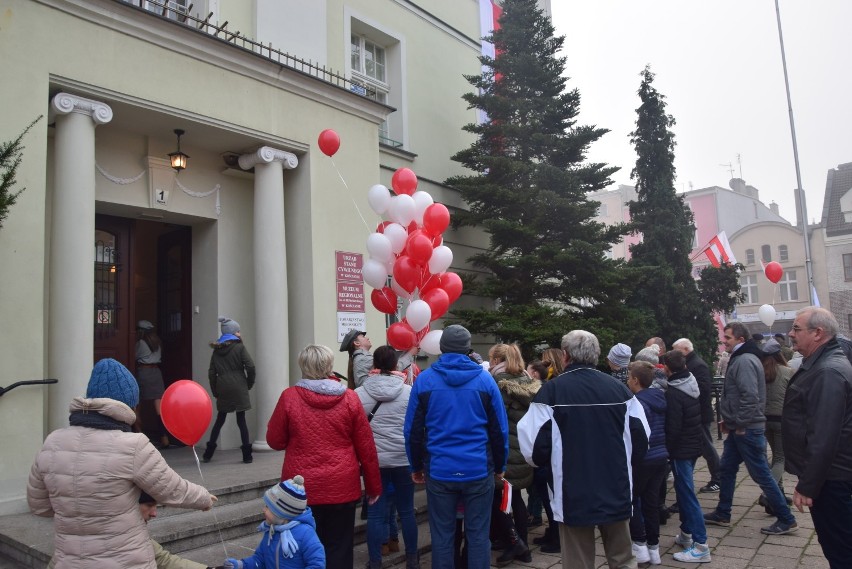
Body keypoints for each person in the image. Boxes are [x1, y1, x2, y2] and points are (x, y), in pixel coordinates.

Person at [28, 358, 217, 568]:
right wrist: (203, 498)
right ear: (128, 404)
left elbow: (39, 506)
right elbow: (172, 489)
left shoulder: (53, 442)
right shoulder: (133, 445)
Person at [518, 330, 649, 569]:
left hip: (572, 489)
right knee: (622, 559)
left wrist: (550, 466)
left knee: (578, 561)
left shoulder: (551, 391)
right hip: (616, 485)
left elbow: (533, 448)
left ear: (565, 355)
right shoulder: (620, 390)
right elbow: (642, 440)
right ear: (597, 355)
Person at [266, 344, 381, 569]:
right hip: (342, 485)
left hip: (300, 489)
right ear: (329, 365)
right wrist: (374, 487)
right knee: (340, 546)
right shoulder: (349, 398)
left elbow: (275, 441)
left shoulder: (289, 397)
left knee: (302, 549)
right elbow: (366, 447)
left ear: (303, 366)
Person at [404, 325, 509, 569]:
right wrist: (500, 465)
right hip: (478, 468)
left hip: (440, 469)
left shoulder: (426, 380)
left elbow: (412, 430)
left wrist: (416, 465)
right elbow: (499, 429)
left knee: (442, 537)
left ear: (442, 348)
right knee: (478, 536)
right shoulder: (485, 380)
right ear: (468, 348)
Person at [704, 321, 798, 536]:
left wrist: (740, 424)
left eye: (727, 338)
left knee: (761, 475)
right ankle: (722, 512)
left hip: (746, 429)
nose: (724, 341)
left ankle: (786, 518)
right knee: (727, 469)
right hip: (741, 428)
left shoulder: (744, 360)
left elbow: (749, 396)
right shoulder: (742, 358)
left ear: (740, 340)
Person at [783, 307, 852, 568]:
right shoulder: (823, 363)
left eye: (797, 329)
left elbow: (824, 435)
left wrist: (808, 485)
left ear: (818, 333)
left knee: (840, 548)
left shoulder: (827, 372)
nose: (791, 334)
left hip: (830, 478)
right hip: (829, 475)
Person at [355, 346, 419, 569]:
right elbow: (415, 427)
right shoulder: (409, 392)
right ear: (395, 365)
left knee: (375, 514)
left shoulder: (359, 394)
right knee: (407, 512)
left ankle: (375, 561)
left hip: (375, 463)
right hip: (403, 460)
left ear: (374, 365)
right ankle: (413, 559)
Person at [48, 491, 217, 569]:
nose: (155, 514)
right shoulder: (91, 536)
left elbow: (163, 559)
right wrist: (200, 498)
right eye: (149, 506)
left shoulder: (131, 533)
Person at [488, 343, 539, 565]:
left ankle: (515, 543)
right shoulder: (529, 383)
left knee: (499, 498)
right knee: (515, 497)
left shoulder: (498, 385)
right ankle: (523, 548)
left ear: (498, 361)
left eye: (491, 359)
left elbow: (493, 421)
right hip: (524, 450)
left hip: (506, 450)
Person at [661, 349, 711, 563]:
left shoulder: (673, 393)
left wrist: (667, 451)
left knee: (688, 496)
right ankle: (686, 534)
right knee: (683, 493)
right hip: (692, 445)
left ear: (667, 368)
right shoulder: (690, 382)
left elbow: (673, 428)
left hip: (681, 449)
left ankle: (701, 546)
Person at [223, 476, 324, 569]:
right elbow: (259, 559)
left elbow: (317, 564)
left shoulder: (306, 533)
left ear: (282, 512)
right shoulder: (271, 531)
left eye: (268, 507)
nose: (264, 510)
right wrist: (240, 564)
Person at [626, 361, 668, 565]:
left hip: (644, 458)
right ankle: (654, 548)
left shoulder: (637, 403)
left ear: (635, 380)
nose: (627, 381)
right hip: (661, 457)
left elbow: (635, 433)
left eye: (629, 377)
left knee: (633, 501)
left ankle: (640, 545)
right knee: (652, 504)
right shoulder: (660, 398)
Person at [203, 317, 256, 464]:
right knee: (241, 420)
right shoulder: (240, 347)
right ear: (234, 333)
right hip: (239, 386)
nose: (240, 333)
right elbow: (250, 366)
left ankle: (208, 454)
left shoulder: (216, 351)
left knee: (220, 420)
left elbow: (211, 373)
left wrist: (215, 391)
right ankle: (247, 456)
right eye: (238, 331)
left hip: (223, 387)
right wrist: (248, 383)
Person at [672, 338, 721, 494]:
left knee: (707, 448)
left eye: (677, 351)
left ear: (686, 350)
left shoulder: (698, 365)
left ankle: (718, 479)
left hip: (698, 414)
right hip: (695, 414)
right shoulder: (693, 363)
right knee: (700, 449)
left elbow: (703, 390)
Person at [758, 338, 793, 511]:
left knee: (775, 457)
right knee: (780, 458)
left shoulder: (761, 373)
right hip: (781, 419)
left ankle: (779, 496)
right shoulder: (788, 372)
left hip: (765, 420)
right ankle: (768, 493)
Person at [135, 320, 171, 448]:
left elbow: (135, 356)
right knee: (158, 408)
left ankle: (139, 435)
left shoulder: (140, 343)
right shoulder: (157, 343)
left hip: (143, 372)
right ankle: (164, 437)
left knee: (138, 404)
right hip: (156, 373)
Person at [339, 329, 416, 388]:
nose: (367, 338)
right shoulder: (363, 359)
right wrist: (410, 354)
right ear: (357, 343)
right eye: (363, 337)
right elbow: (393, 368)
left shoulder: (361, 358)